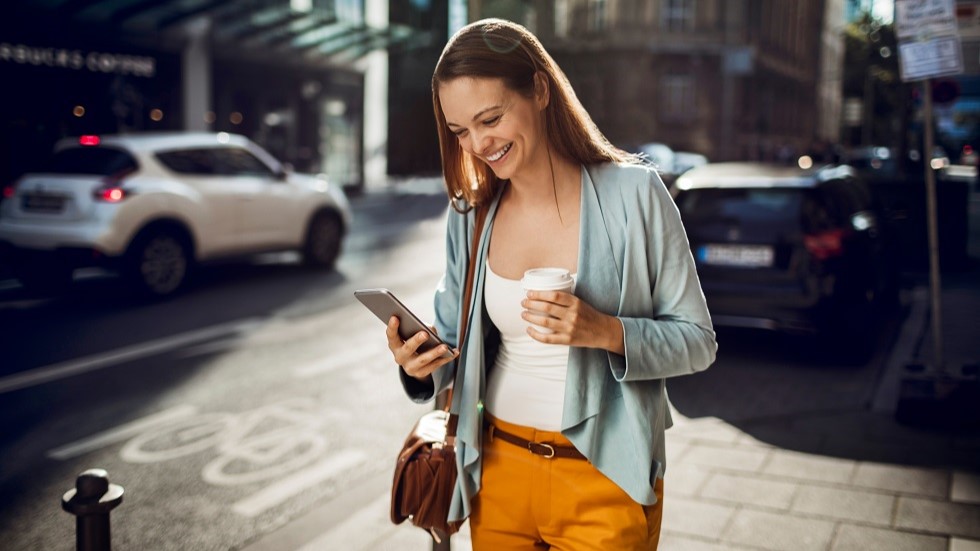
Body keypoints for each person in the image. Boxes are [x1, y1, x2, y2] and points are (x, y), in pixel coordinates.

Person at [384, 18, 717, 550]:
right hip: (496, 473)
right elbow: (449, 345)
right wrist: (416, 365)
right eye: (460, 131)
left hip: (605, 475)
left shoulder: (635, 195)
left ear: (539, 90)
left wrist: (605, 331)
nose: (479, 143)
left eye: (491, 118)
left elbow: (698, 341)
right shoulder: (471, 214)